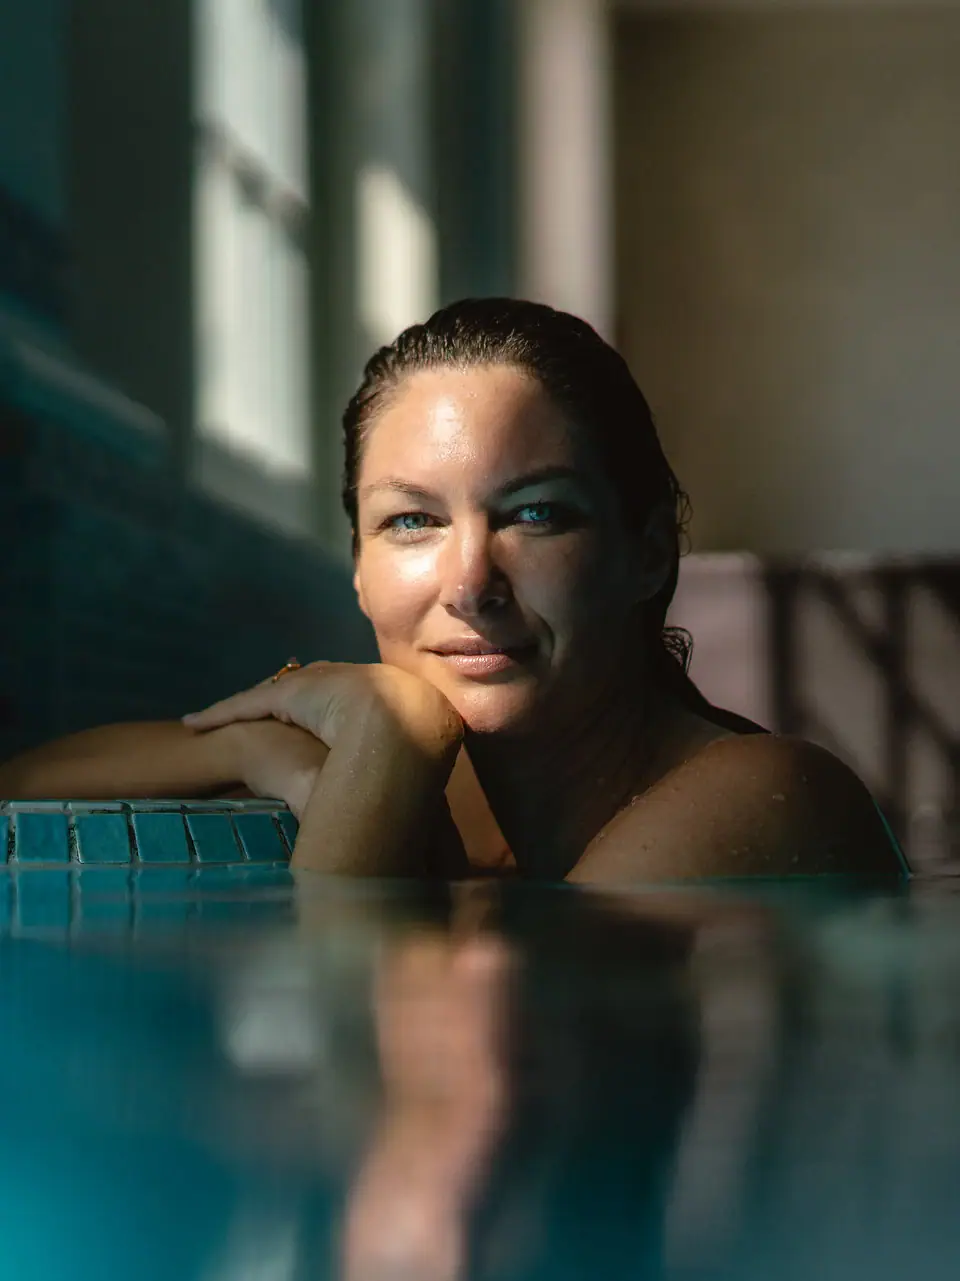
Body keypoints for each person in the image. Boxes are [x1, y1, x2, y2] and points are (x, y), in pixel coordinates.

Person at [0, 299, 906, 883]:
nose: (470, 581)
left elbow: (453, 1065)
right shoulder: (421, 766)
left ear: (647, 555)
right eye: (411, 522)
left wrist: (377, 762)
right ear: (357, 564)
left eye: (537, 514)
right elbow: (26, 791)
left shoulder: (770, 798)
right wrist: (261, 749)